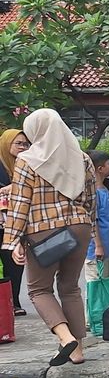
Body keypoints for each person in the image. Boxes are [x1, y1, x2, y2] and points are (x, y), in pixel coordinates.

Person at [0, 110, 97, 366]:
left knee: (39, 289)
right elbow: (90, 198)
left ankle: (66, 339)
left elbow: (20, 203)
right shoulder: (82, 158)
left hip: (44, 230)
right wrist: (91, 229)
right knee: (70, 287)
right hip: (79, 226)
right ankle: (78, 351)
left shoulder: (27, 160)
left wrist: (13, 241)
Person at [0, 128, 31, 316]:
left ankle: (14, 302)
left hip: (16, 223)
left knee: (15, 263)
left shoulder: (25, 164)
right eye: (18, 143)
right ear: (6, 143)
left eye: (26, 144)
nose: (23, 147)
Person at [84, 150, 109, 287]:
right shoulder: (93, 193)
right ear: (100, 169)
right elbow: (93, 220)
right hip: (97, 252)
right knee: (97, 288)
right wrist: (98, 246)